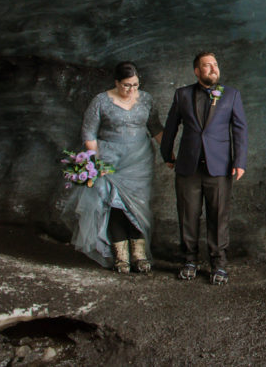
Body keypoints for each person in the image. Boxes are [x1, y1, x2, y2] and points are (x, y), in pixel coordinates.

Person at [62, 61, 163, 274]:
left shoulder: (146, 99)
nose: (131, 90)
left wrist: (170, 152)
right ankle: (120, 255)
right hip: (110, 161)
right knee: (115, 205)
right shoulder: (101, 101)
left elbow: (155, 127)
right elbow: (89, 133)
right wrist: (97, 162)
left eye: (135, 85)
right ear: (116, 82)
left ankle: (139, 254)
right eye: (126, 85)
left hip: (140, 161)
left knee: (138, 207)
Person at [160, 51, 248, 285]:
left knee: (218, 217)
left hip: (219, 167)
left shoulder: (231, 95)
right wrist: (166, 153)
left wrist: (239, 161)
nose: (212, 69)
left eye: (215, 65)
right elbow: (171, 127)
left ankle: (218, 264)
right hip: (188, 167)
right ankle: (189, 260)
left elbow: (239, 130)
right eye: (206, 66)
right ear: (197, 71)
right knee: (188, 216)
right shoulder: (182, 95)